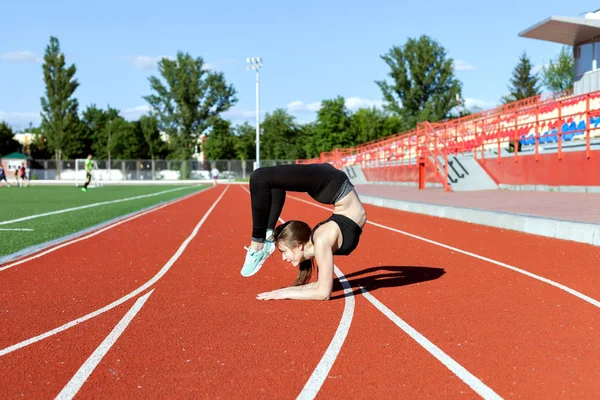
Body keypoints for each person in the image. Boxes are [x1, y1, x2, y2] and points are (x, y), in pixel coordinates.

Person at [241, 163, 367, 301]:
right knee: (268, 180)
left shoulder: (321, 240)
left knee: (260, 177)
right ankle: (266, 233)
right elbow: (321, 288)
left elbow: (323, 293)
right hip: (330, 183)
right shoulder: (321, 241)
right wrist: (285, 291)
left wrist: (285, 294)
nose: (283, 258)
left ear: (299, 245)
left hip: (330, 183)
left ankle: (258, 243)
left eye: (283, 251)